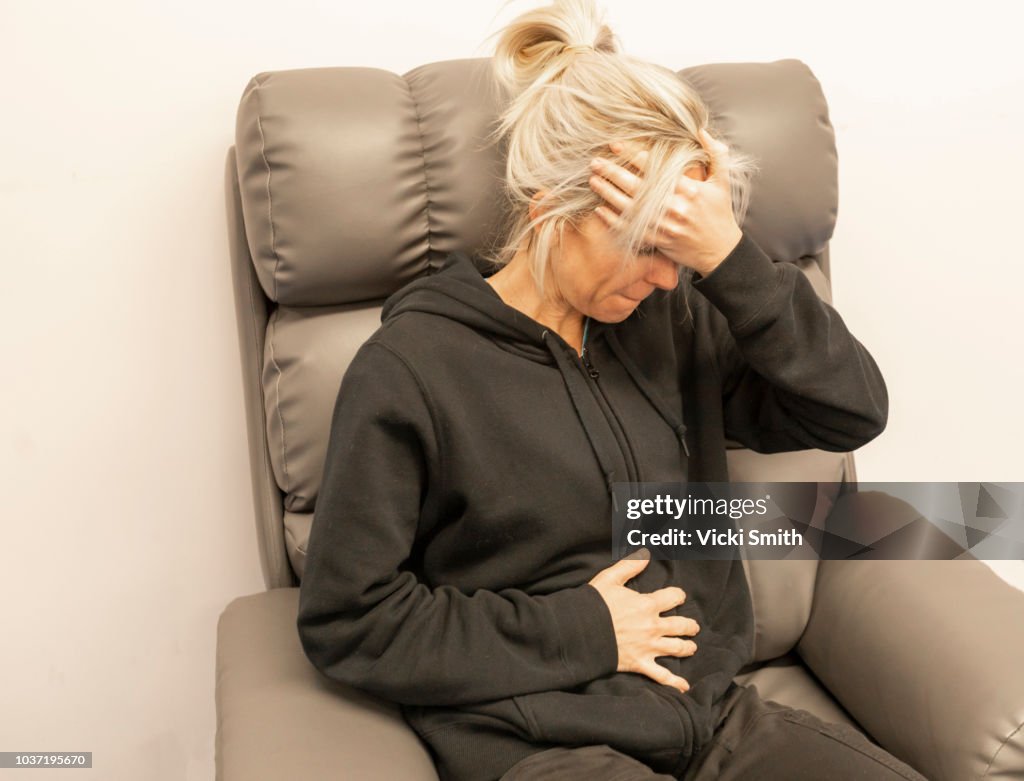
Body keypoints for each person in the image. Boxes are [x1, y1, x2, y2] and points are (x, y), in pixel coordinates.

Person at [297, 1, 923, 779]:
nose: (667, 276)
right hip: (542, 739)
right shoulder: (411, 369)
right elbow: (349, 620)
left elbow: (851, 408)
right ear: (551, 210)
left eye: (681, 251)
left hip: (713, 719)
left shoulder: (675, 319)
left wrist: (729, 258)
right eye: (645, 246)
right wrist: (584, 628)